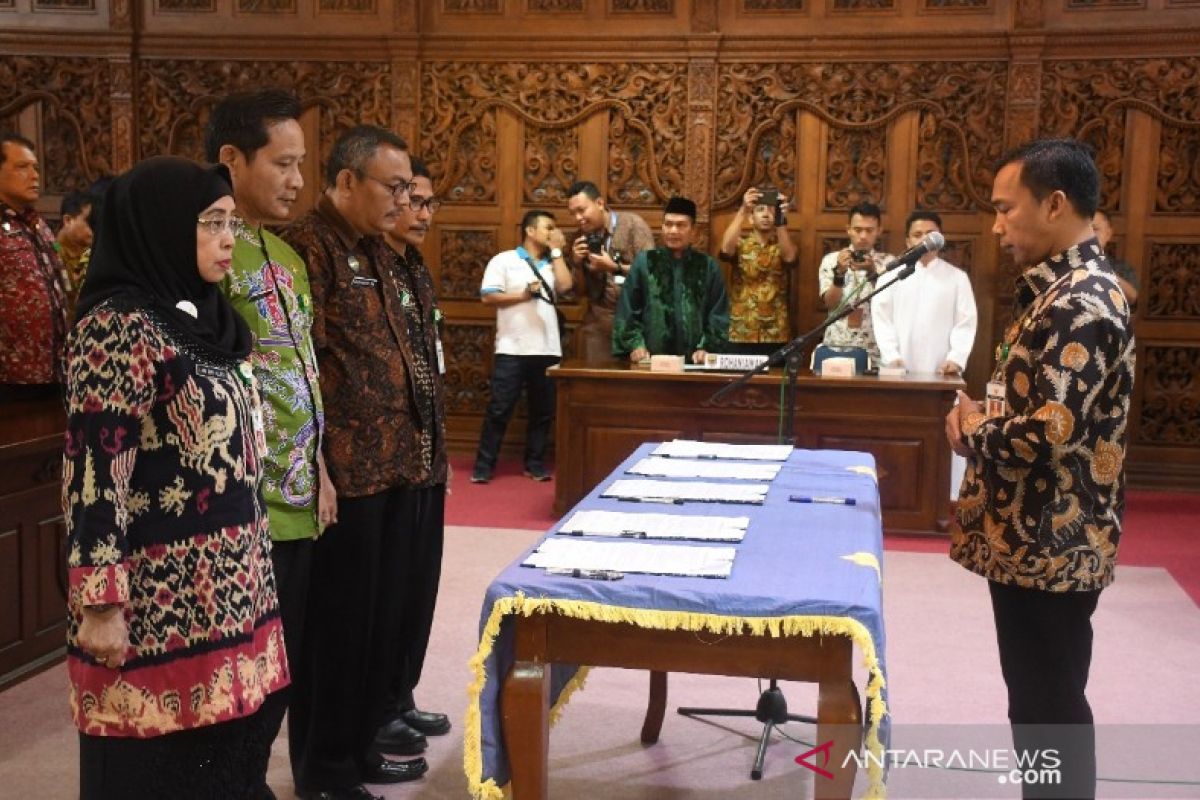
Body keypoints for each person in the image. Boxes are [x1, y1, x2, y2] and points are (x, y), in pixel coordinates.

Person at [64, 156, 288, 799]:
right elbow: (92, 472)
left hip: (233, 589)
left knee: (230, 760)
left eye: (231, 223)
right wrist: (101, 602)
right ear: (159, 227)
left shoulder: (209, 318)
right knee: (159, 770)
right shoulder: (116, 327)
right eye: (210, 223)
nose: (228, 239)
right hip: (158, 604)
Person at [945, 138, 1135, 799]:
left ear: (1053, 204)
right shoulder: (1066, 289)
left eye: (1005, 209)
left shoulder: (1080, 300)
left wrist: (974, 429)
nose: (996, 226)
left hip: (1052, 542)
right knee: (1038, 703)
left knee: (1048, 706)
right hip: (1040, 539)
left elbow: (1051, 433)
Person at [282, 124, 428, 799]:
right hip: (345, 474)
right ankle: (325, 770)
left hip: (396, 465)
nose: (403, 199)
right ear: (346, 182)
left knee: (379, 622)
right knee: (337, 632)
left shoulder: (376, 248)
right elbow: (300, 366)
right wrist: (320, 464)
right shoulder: (308, 247)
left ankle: (365, 744)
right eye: (392, 187)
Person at [205, 88, 336, 768]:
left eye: (302, 164)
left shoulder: (285, 258)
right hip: (243, 504)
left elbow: (304, 371)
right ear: (233, 159)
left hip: (300, 499)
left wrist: (322, 469)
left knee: (283, 666)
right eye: (283, 164)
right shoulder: (206, 254)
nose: (297, 181)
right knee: (240, 677)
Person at [372, 157, 453, 755]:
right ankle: (378, 709)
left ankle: (401, 696)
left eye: (428, 202)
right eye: (412, 199)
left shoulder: (415, 268)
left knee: (418, 591)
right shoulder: (371, 266)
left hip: (428, 456)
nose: (422, 212)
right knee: (388, 593)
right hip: (387, 460)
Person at [470, 209, 572, 484]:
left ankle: (534, 463)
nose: (553, 232)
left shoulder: (553, 263)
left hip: (547, 348)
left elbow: (566, 285)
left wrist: (558, 252)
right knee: (500, 408)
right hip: (511, 347)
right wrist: (523, 294)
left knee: (543, 411)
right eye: (548, 228)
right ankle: (484, 465)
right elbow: (488, 297)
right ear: (530, 230)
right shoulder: (504, 260)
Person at [612, 196, 730, 364]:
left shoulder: (707, 266)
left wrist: (706, 347)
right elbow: (627, 309)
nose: (673, 230)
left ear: (694, 230)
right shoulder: (645, 262)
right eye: (668, 224)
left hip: (695, 363)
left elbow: (718, 314)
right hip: (651, 362)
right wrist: (636, 345)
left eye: (680, 225)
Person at [0, 132, 69, 402]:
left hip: (54, 372)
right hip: (10, 379)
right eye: (22, 167)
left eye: (35, 167)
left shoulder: (38, 225)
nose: (34, 175)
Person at [871, 209, 977, 376]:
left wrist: (956, 358)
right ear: (908, 241)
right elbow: (881, 319)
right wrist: (891, 355)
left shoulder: (958, 278)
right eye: (917, 234)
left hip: (942, 368)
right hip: (898, 367)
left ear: (940, 239)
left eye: (930, 234)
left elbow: (966, 322)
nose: (924, 239)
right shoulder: (891, 276)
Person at [566, 180, 656, 361]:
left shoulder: (633, 225)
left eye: (581, 210)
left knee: (635, 386)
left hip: (636, 323)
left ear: (599, 203)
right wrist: (576, 263)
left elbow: (652, 274)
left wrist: (614, 267)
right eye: (573, 213)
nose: (578, 218)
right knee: (598, 386)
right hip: (600, 323)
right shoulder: (580, 237)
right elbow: (579, 292)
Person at [718, 186, 797, 354]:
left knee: (775, 379)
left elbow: (790, 257)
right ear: (751, 218)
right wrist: (743, 210)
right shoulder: (740, 244)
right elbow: (725, 250)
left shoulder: (782, 244)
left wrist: (781, 219)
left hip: (776, 331)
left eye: (771, 210)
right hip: (742, 328)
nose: (767, 214)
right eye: (760, 210)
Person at [817, 200, 891, 363]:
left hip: (876, 348)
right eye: (858, 230)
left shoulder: (889, 263)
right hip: (837, 345)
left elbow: (893, 304)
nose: (863, 236)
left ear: (879, 231)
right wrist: (839, 274)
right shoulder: (831, 260)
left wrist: (873, 273)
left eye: (869, 230)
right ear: (848, 230)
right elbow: (829, 304)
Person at [1090, 209, 1140, 308]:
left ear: (1108, 234)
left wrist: (1098, 265)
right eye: (1084, 230)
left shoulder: (1121, 268)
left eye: (1095, 229)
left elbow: (1132, 299)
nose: (1089, 235)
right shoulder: (1062, 262)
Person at [56, 189, 95, 301]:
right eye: (89, 221)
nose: (94, 227)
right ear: (68, 220)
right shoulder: (52, 253)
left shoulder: (93, 252)